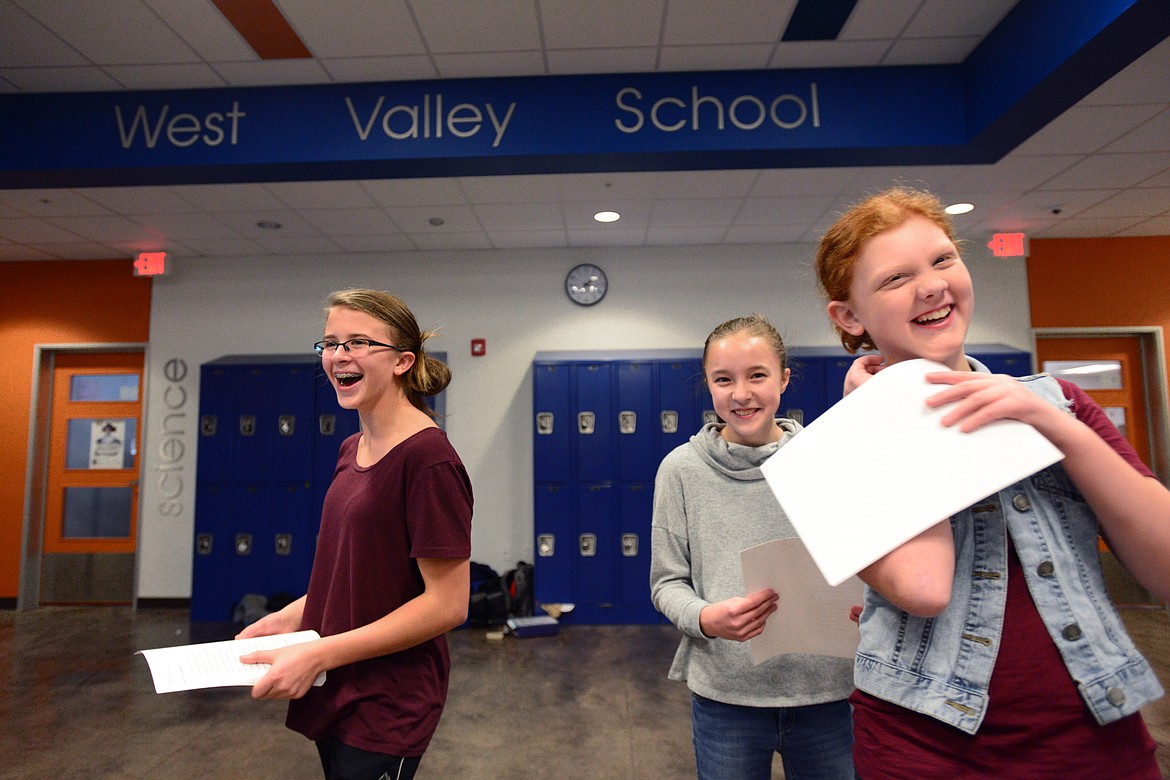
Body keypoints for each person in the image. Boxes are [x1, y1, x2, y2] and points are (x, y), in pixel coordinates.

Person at [815, 186, 1170, 778]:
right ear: (849, 316)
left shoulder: (1060, 403)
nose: (931, 285)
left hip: (1095, 737)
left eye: (943, 259)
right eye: (895, 278)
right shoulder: (836, 449)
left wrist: (1053, 426)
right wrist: (890, 421)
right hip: (926, 748)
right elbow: (922, 589)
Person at [236, 288, 473, 780]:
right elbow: (359, 575)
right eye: (331, 344)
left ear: (403, 361)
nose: (340, 356)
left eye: (359, 342)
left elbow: (447, 604)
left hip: (388, 701)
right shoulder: (352, 447)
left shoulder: (427, 460)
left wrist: (319, 651)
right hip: (339, 687)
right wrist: (289, 617)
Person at [650, 314, 856, 780]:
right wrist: (705, 617)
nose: (741, 393)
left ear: (783, 379)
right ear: (709, 386)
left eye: (757, 375)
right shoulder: (680, 470)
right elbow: (666, 583)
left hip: (827, 693)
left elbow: (860, 563)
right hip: (727, 698)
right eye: (724, 379)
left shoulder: (824, 461)